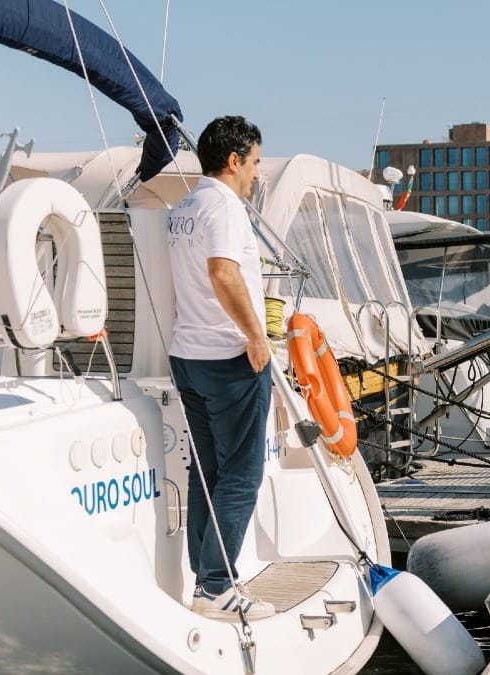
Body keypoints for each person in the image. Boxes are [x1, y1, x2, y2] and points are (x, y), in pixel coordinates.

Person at [167, 116, 274, 620]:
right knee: (241, 475)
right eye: (254, 163)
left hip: (188, 355)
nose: (256, 174)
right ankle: (216, 587)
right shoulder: (226, 207)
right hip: (230, 358)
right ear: (234, 161)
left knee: (206, 474)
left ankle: (203, 582)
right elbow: (222, 272)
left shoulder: (183, 206)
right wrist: (256, 335)